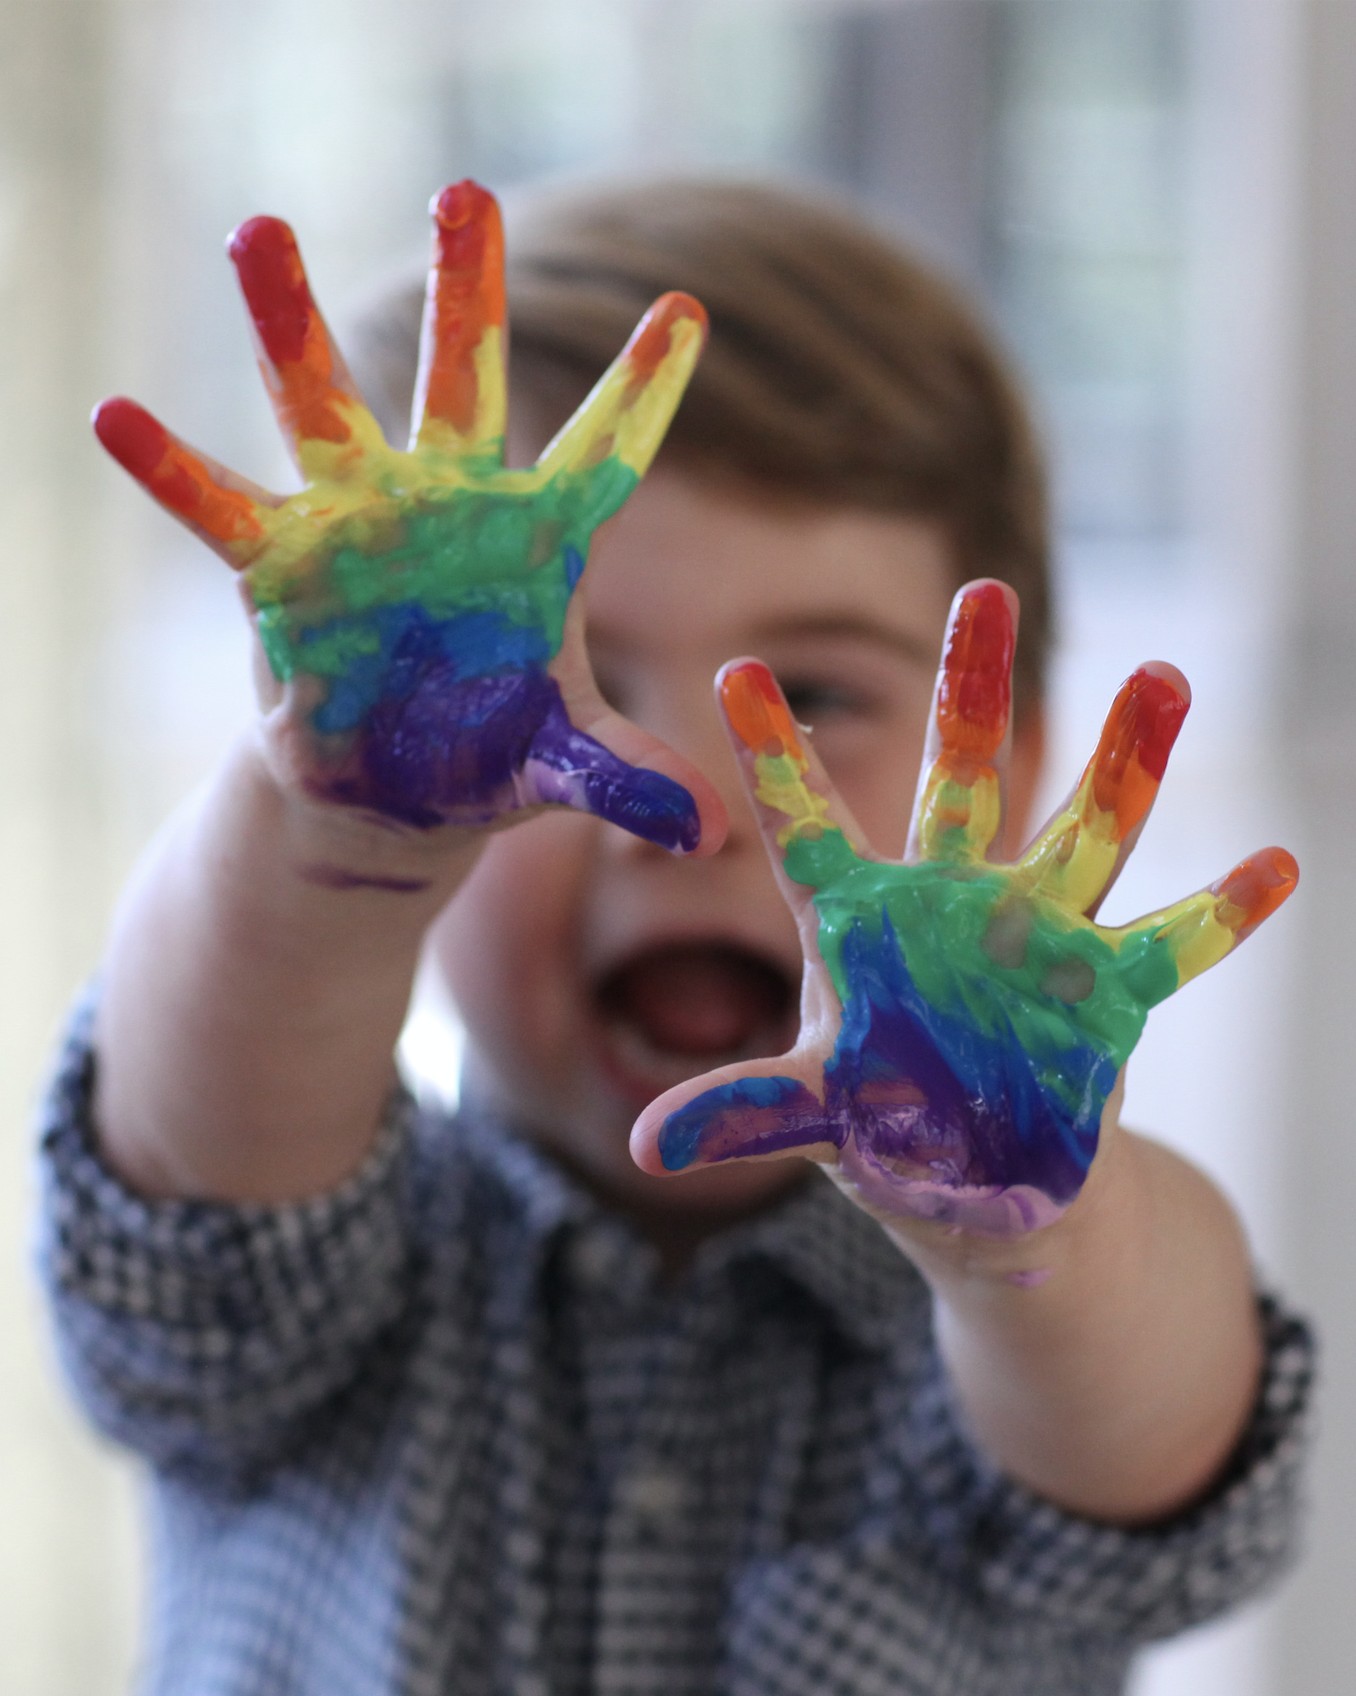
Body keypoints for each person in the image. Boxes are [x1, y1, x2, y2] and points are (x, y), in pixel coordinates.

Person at [40, 177, 1311, 1696]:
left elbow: (1158, 1451)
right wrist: (338, 843)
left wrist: (1042, 1244)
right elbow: (194, 1181)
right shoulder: (323, 1275)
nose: (695, 801)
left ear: (1018, 777)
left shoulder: (1023, 1342)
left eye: (821, 699)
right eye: (536, 687)